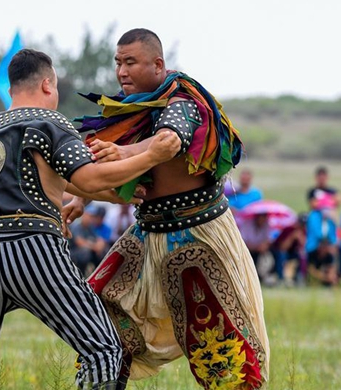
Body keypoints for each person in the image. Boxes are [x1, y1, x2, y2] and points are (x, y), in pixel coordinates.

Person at [0, 48, 179, 390]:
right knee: (103, 348)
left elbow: (55, 180)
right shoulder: (49, 122)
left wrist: (108, 193)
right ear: (48, 84)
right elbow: (87, 178)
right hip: (33, 250)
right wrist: (151, 155)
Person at [67, 29, 269, 389]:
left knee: (218, 342)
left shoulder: (183, 102)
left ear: (157, 65)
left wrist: (126, 153)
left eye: (130, 62)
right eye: (118, 63)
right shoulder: (130, 111)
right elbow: (105, 154)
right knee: (98, 310)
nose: (121, 72)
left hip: (197, 235)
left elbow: (170, 141)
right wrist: (80, 197)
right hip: (147, 232)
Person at [306, 195, 339, 286]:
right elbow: (316, 233)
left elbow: (333, 235)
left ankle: (332, 277)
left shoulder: (330, 220)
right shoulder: (313, 216)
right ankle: (321, 278)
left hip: (327, 246)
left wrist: (331, 244)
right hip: (314, 246)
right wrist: (324, 243)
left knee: (333, 255)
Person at [69, 204, 111, 276]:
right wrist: (95, 247)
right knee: (85, 252)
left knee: (104, 250)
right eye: (90, 216)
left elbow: (99, 239)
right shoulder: (76, 226)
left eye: (93, 216)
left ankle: (98, 275)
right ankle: (80, 274)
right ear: (84, 215)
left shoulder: (91, 227)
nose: (91, 218)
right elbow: (80, 242)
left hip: (89, 250)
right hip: (74, 252)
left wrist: (100, 246)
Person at [270, 213, 307, 285]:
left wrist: (301, 239)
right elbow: (282, 248)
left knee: (303, 256)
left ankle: (300, 278)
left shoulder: (304, 231)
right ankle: (280, 278)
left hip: (293, 253)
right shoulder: (288, 229)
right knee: (282, 255)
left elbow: (304, 247)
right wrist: (292, 237)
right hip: (280, 252)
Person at [241, 213, 273, 281]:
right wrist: (256, 247)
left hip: (259, 252)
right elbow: (242, 242)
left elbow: (268, 240)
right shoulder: (247, 225)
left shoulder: (266, 225)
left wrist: (264, 246)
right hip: (247, 251)